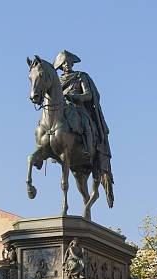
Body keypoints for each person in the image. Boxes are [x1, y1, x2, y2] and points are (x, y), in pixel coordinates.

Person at [53, 50, 114, 194]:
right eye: (63, 64)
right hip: (64, 110)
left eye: (68, 62)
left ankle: (87, 148)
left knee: (85, 123)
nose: (66, 65)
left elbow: (89, 95)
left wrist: (76, 96)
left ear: (72, 63)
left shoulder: (80, 77)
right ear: (61, 66)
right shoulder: (58, 81)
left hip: (79, 109)